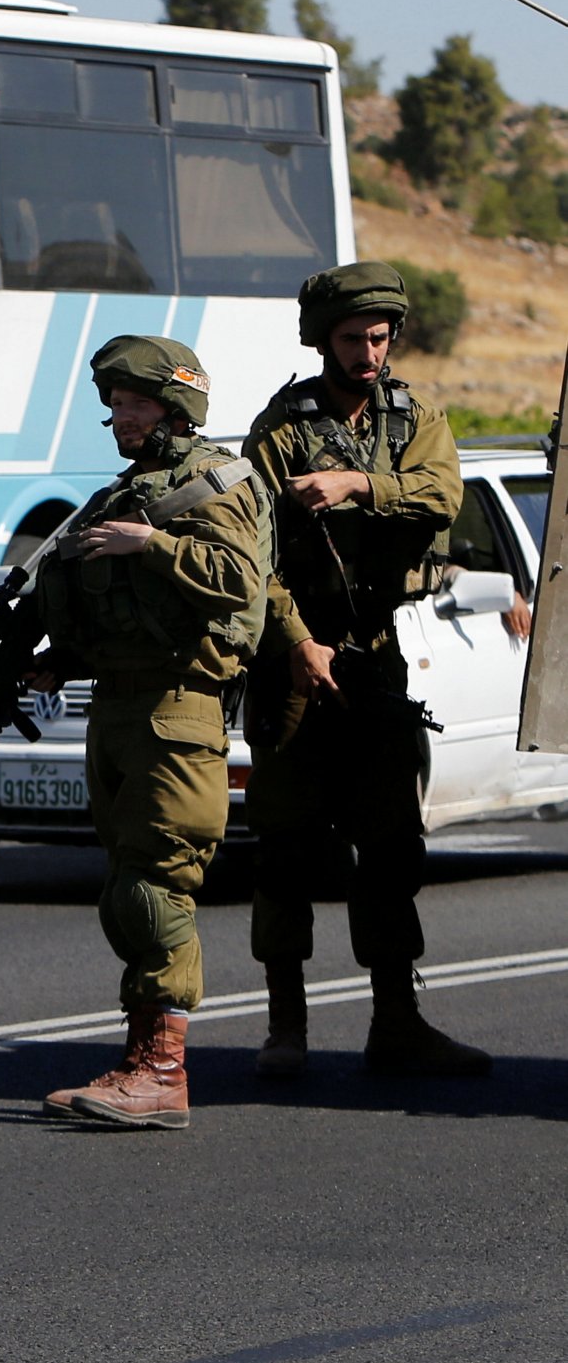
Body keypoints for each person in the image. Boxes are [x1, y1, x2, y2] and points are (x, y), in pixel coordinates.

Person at [244, 261, 488, 1078]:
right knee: (284, 852)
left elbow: (439, 495)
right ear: (324, 339)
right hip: (295, 661)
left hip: (376, 656)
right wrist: (296, 640)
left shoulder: (414, 415)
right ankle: (286, 1029)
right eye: (353, 339)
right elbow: (253, 558)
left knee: (390, 846)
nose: (370, 354)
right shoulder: (279, 429)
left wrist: (356, 481)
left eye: (381, 338)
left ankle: (397, 1020)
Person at [30, 335, 269, 1130]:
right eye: (113, 406)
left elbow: (241, 581)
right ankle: (142, 1058)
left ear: (173, 406)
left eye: (131, 405)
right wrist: (51, 662)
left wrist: (156, 543)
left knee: (158, 886)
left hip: (180, 709)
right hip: (121, 708)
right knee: (125, 890)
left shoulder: (214, 484)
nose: (118, 420)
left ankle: (164, 1071)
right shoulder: (122, 493)